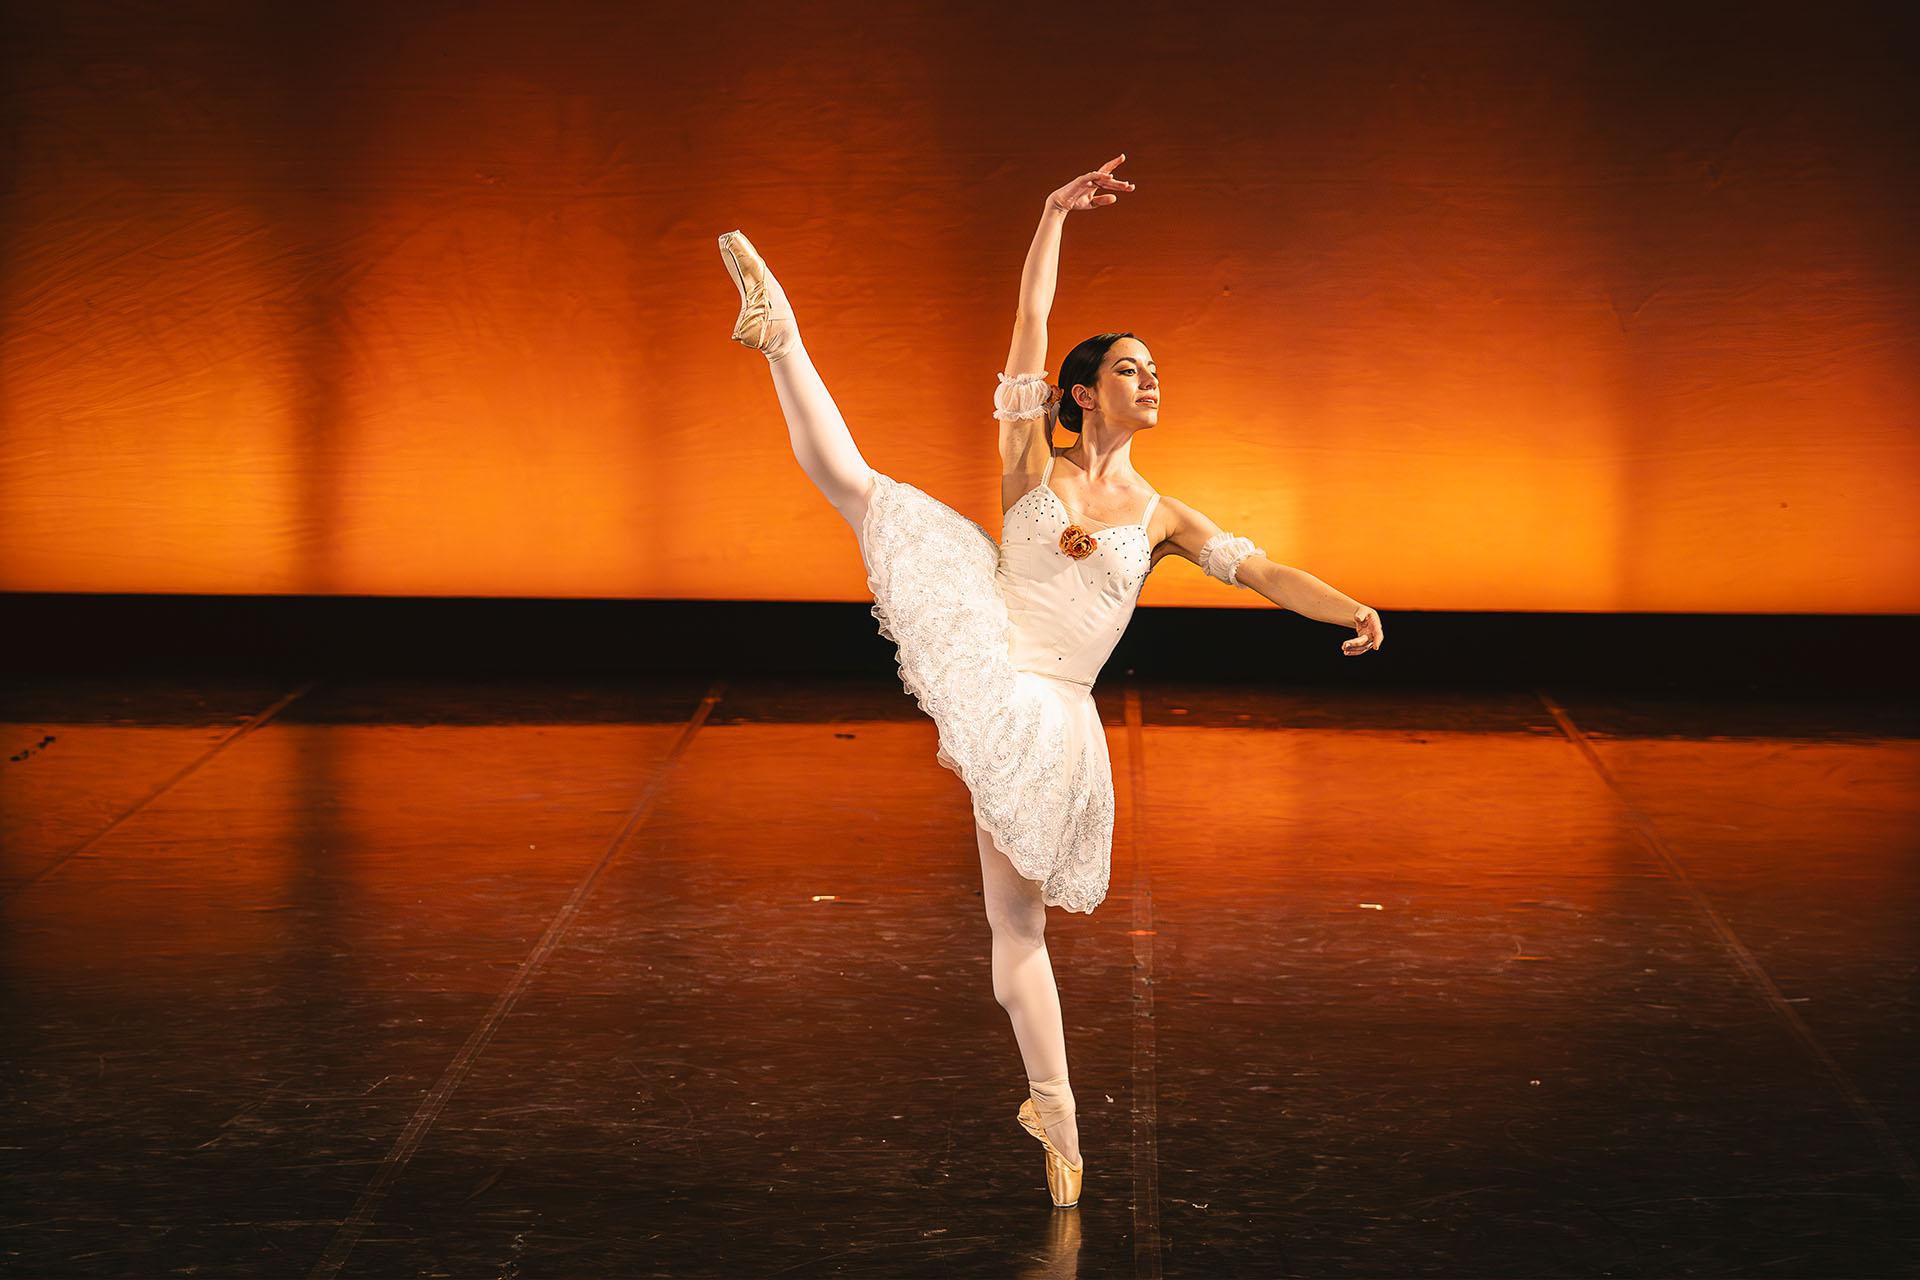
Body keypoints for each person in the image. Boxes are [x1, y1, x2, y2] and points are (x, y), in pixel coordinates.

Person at [717, 153, 1384, 1209]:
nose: (1151, 378)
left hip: (1053, 717)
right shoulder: (1030, 457)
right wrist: (1049, 215)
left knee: (1017, 929)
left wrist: (1348, 603)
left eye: (1156, 366)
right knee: (858, 486)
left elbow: (1258, 570)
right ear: (1083, 391)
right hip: (994, 643)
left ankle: (1055, 1116)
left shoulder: (1165, 517)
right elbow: (1030, 321)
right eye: (1130, 366)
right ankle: (782, 331)